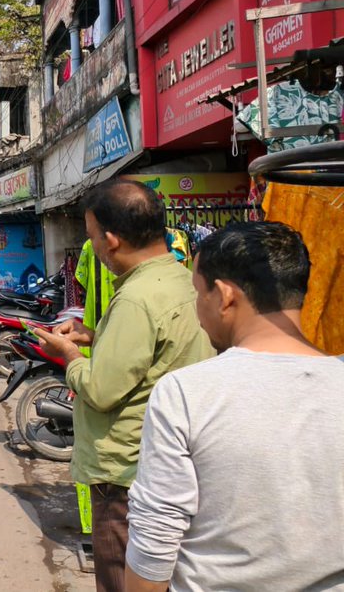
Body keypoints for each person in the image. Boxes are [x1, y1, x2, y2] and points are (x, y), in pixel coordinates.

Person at [125, 222, 344, 592]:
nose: (198, 308)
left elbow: (155, 540)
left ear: (225, 295)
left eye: (198, 293)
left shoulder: (185, 393)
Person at [34, 179, 213, 592]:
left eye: (93, 237)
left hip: (128, 476)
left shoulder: (136, 298)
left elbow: (99, 390)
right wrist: (95, 336)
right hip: (171, 467)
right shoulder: (181, 279)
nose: (93, 246)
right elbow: (154, 355)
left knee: (122, 580)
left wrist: (69, 354)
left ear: (111, 240)